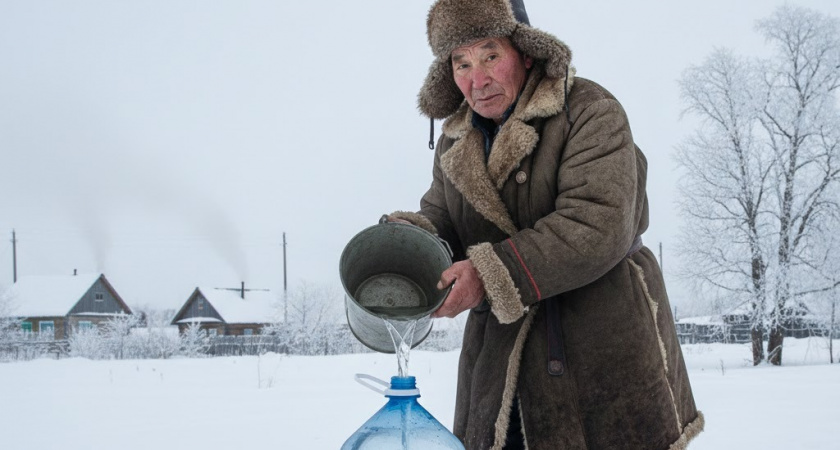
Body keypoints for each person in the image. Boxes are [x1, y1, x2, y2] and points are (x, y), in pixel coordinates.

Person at [387, 0, 703, 449]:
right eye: (462, 64)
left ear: (525, 51)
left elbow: (598, 222)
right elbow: (444, 220)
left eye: (490, 55)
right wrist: (406, 244)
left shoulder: (589, 110)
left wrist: (490, 274)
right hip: (499, 364)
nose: (477, 80)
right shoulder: (455, 141)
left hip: (598, 348)